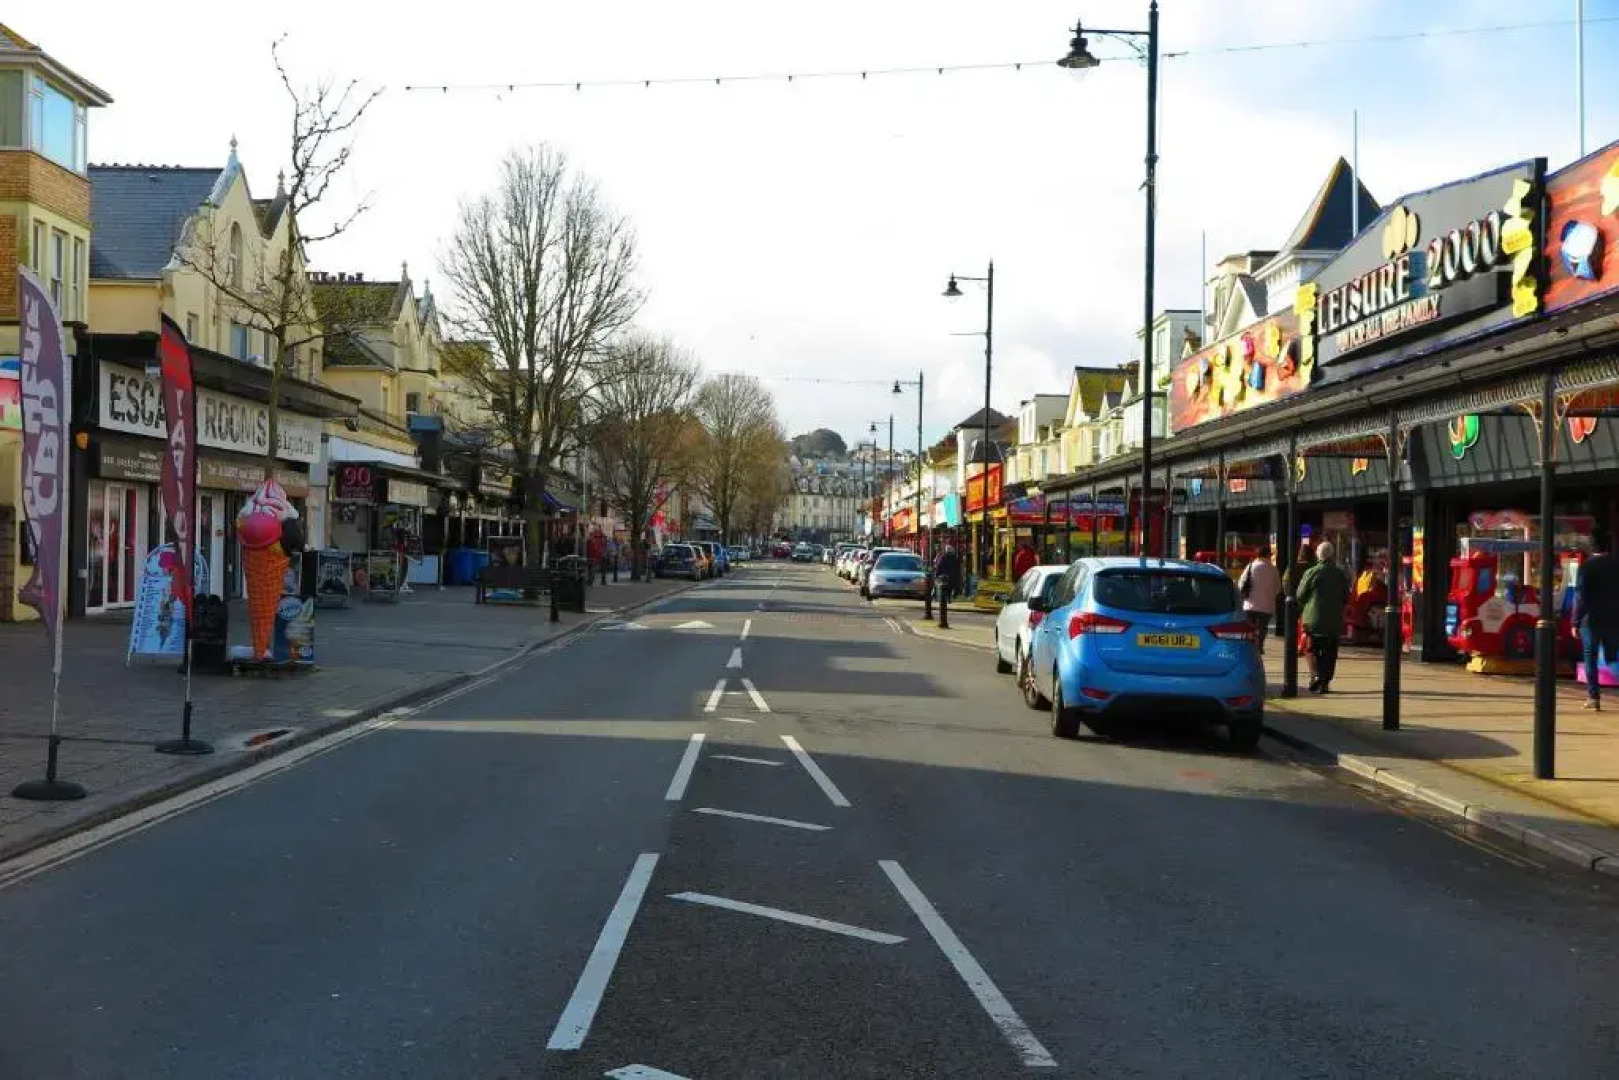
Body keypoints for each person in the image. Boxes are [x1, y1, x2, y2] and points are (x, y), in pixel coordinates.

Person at [1297, 540, 1350, 694]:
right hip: (1334, 620)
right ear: (1332, 555)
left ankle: (1316, 675)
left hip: (1313, 619)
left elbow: (1300, 594)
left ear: (1318, 555)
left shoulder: (1311, 572)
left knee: (1311, 648)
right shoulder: (1340, 573)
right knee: (1331, 650)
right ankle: (1325, 681)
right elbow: (1346, 596)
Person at [1576, 526, 1619, 710]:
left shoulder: (1586, 567)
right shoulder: (1615, 566)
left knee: (1590, 657)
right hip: (1613, 618)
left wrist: (1575, 621)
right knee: (1612, 657)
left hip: (1590, 620)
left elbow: (1581, 597)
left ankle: (1594, 697)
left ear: (1591, 546)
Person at [1238, 545, 1281, 655]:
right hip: (1266, 605)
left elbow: (1241, 583)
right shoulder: (1273, 569)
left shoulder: (1251, 566)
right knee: (1262, 628)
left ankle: (1249, 646)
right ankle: (1259, 646)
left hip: (1250, 604)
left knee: (1249, 627)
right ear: (1267, 555)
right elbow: (1278, 588)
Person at [932, 542, 963, 629]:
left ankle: (946, 601)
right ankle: (949, 600)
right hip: (953, 578)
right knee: (949, 589)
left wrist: (937, 575)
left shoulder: (943, 558)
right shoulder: (955, 559)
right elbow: (958, 570)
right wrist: (959, 578)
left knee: (944, 590)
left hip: (944, 577)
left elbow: (939, 567)